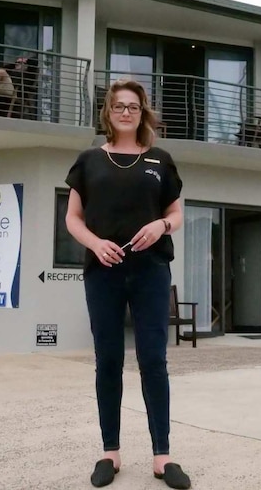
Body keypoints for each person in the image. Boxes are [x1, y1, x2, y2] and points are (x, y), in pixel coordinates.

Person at [64, 78, 191, 489]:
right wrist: (95, 243)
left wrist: (161, 225)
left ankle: (162, 457)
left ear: (142, 112)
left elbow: (176, 213)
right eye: (118, 106)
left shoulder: (160, 160)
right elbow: (73, 219)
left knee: (153, 360)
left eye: (132, 106)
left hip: (151, 270)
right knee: (109, 361)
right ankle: (110, 453)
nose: (125, 112)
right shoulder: (89, 161)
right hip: (104, 272)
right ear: (108, 112)